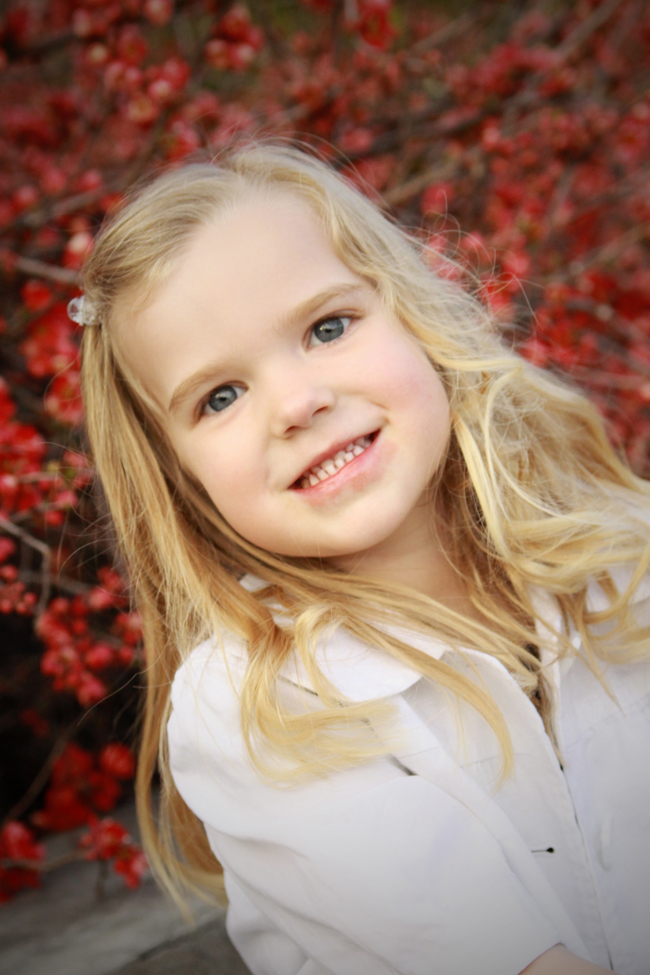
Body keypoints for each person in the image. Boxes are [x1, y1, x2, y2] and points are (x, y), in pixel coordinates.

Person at [75, 141, 650, 975]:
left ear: (414, 313)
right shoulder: (258, 710)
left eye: (327, 327)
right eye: (220, 396)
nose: (299, 402)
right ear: (179, 472)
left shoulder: (616, 554)